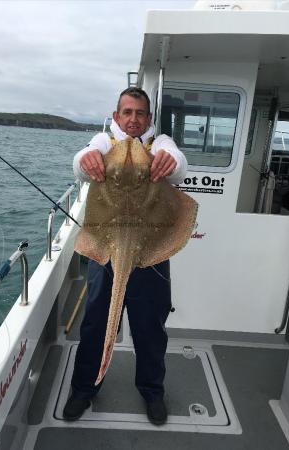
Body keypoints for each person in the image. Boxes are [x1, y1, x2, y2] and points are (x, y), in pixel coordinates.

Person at [63, 87, 188, 425]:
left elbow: (178, 165)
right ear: (117, 117)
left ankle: (152, 391)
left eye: (141, 113)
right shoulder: (103, 141)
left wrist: (172, 161)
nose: (134, 119)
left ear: (148, 119)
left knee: (150, 326)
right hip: (107, 248)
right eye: (127, 112)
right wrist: (85, 160)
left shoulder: (160, 143)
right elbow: (82, 161)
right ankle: (83, 389)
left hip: (150, 250)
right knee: (96, 321)